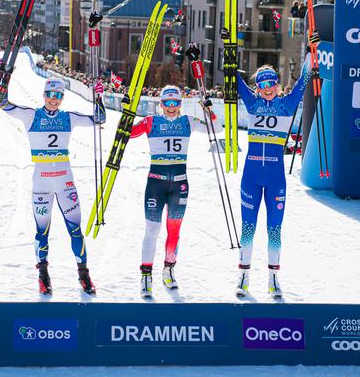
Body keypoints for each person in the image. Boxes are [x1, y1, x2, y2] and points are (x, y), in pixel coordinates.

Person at [1, 77, 106, 296]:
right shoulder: (32, 116)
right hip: (42, 183)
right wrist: (4, 75)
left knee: (75, 230)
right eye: (50, 94)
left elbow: (99, 119)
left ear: (62, 98)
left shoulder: (69, 118)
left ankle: (84, 275)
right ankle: (43, 276)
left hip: (65, 182)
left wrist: (98, 98)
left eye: (58, 96)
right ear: (44, 95)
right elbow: (4, 104)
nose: (53, 99)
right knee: (42, 232)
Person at [129, 85, 222, 298]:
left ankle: (169, 270)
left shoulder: (188, 121)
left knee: (174, 232)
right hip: (155, 184)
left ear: (180, 104)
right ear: (161, 104)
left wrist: (209, 110)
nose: (171, 107)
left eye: (175, 103)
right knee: (151, 231)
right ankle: (146, 276)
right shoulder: (151, 121)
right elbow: (127, 134)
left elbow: (216, 128)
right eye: (167, 103)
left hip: (179, 185)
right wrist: (128, 111)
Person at [236, 65, 311, 299]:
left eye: (271, 84)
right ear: (257, 88)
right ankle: (243, 277)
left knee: (274, 230)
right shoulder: (252, 103)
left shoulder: (287, 105)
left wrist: (312, 51)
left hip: (275, 180)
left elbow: (304, 80)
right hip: (251, 178)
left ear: (278, 85)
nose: (268, 89)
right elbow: (234, 77)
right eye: (262, 85)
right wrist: (228, 46)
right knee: (248, 228)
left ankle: (273, 279)